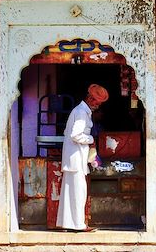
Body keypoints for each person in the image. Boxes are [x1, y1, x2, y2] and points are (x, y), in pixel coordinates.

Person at [56, 84, 109, 232]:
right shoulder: (80, 112)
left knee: (71, 193)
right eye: (97, 103)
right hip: (75, 158)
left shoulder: (81, 111)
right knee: (79, 193)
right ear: (90, 98)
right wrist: (91, 139)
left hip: (74, 158)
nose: (98, 106)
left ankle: (67, 223)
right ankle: (78, 225)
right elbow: (75, 135)